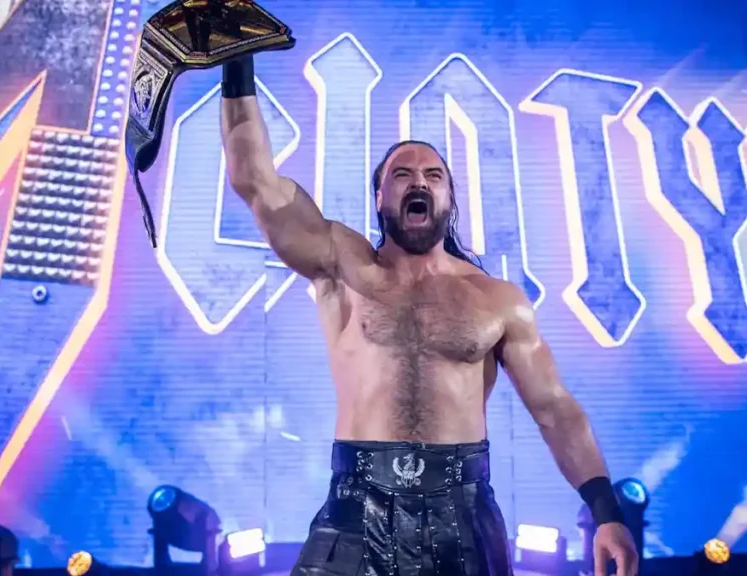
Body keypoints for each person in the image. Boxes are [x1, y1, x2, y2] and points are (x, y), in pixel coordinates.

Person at [219, 54, 639, 576]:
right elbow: (254, 179)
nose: (418, 182)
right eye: (402, 174)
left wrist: (606, 514)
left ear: (448, 198)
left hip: (461, 510)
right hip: (356, 506)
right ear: (380, 197)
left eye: (433, 175)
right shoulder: (339, 263)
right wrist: (236, 60)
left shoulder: (497, 299)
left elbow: (554, 409)